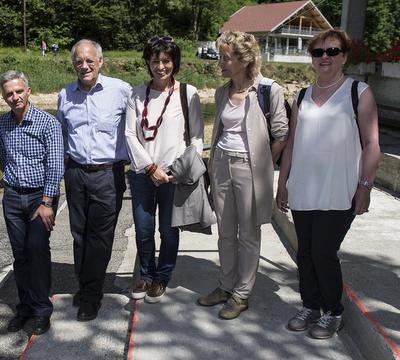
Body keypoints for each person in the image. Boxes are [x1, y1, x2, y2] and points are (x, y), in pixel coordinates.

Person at [276, 29, 380, 339]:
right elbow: (292, 142)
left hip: (340, 189)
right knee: (305, 252)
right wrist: (283, 182)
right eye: (318, 52)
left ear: (344, 56)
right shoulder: (302, 95)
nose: (325, 57)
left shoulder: (358, 92)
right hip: (304, 188)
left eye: (332, 51)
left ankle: (334, 311)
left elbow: (372, 143)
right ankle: (310, 306)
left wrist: (365, 185)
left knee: (323, 252)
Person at [197, 31, 288, 319]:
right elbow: (221, 132)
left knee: (248, 233)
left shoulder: (268, 90)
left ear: (243, 59)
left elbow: (281, 134)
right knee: (225, 231)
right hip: (222, 162)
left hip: (251, 167)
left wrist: (263, 165)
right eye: (220, 56)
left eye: (226, 57)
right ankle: (225, 285)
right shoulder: (222, 91)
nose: (220, 63)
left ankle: (242, 293)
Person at [125, 36, 204, 303]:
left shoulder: (187, 93)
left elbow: (197, 138)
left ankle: (162, 277)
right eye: (155, 60)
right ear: (148, 62)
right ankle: (146, 274)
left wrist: (180, 169)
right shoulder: (136, 94)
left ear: (175, 63)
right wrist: (149, 168)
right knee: (143, 228)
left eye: (166, 61)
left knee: (169, 231)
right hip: (142, 174)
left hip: (173, 175)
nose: (161, 66)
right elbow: (129, 135)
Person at [57, 39, 131, 321]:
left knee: (100, 238)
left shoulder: (120, 91)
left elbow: (138, 128)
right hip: (75, 173)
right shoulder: (66, 94)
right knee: (79, 235)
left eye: (89, 60)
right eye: (79, 61)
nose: (84, 66)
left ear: (100, 62)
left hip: (108, 174)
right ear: (73, 63)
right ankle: (85, 284)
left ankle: (91, 295)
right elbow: (62, 135)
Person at [0, 71, 64, 335]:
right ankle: (24, 306)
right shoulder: (2, 123)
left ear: (28, 91)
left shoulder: (48, 123)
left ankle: (41, 310)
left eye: (18, 91)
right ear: (4, 97)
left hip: (40, 197)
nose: (15, 97)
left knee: (36, 249)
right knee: (20, 255)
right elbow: (1, 153)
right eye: (9, 94)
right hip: (12, 196)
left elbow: (55, 164)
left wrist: (47, 201)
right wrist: (8, 179)